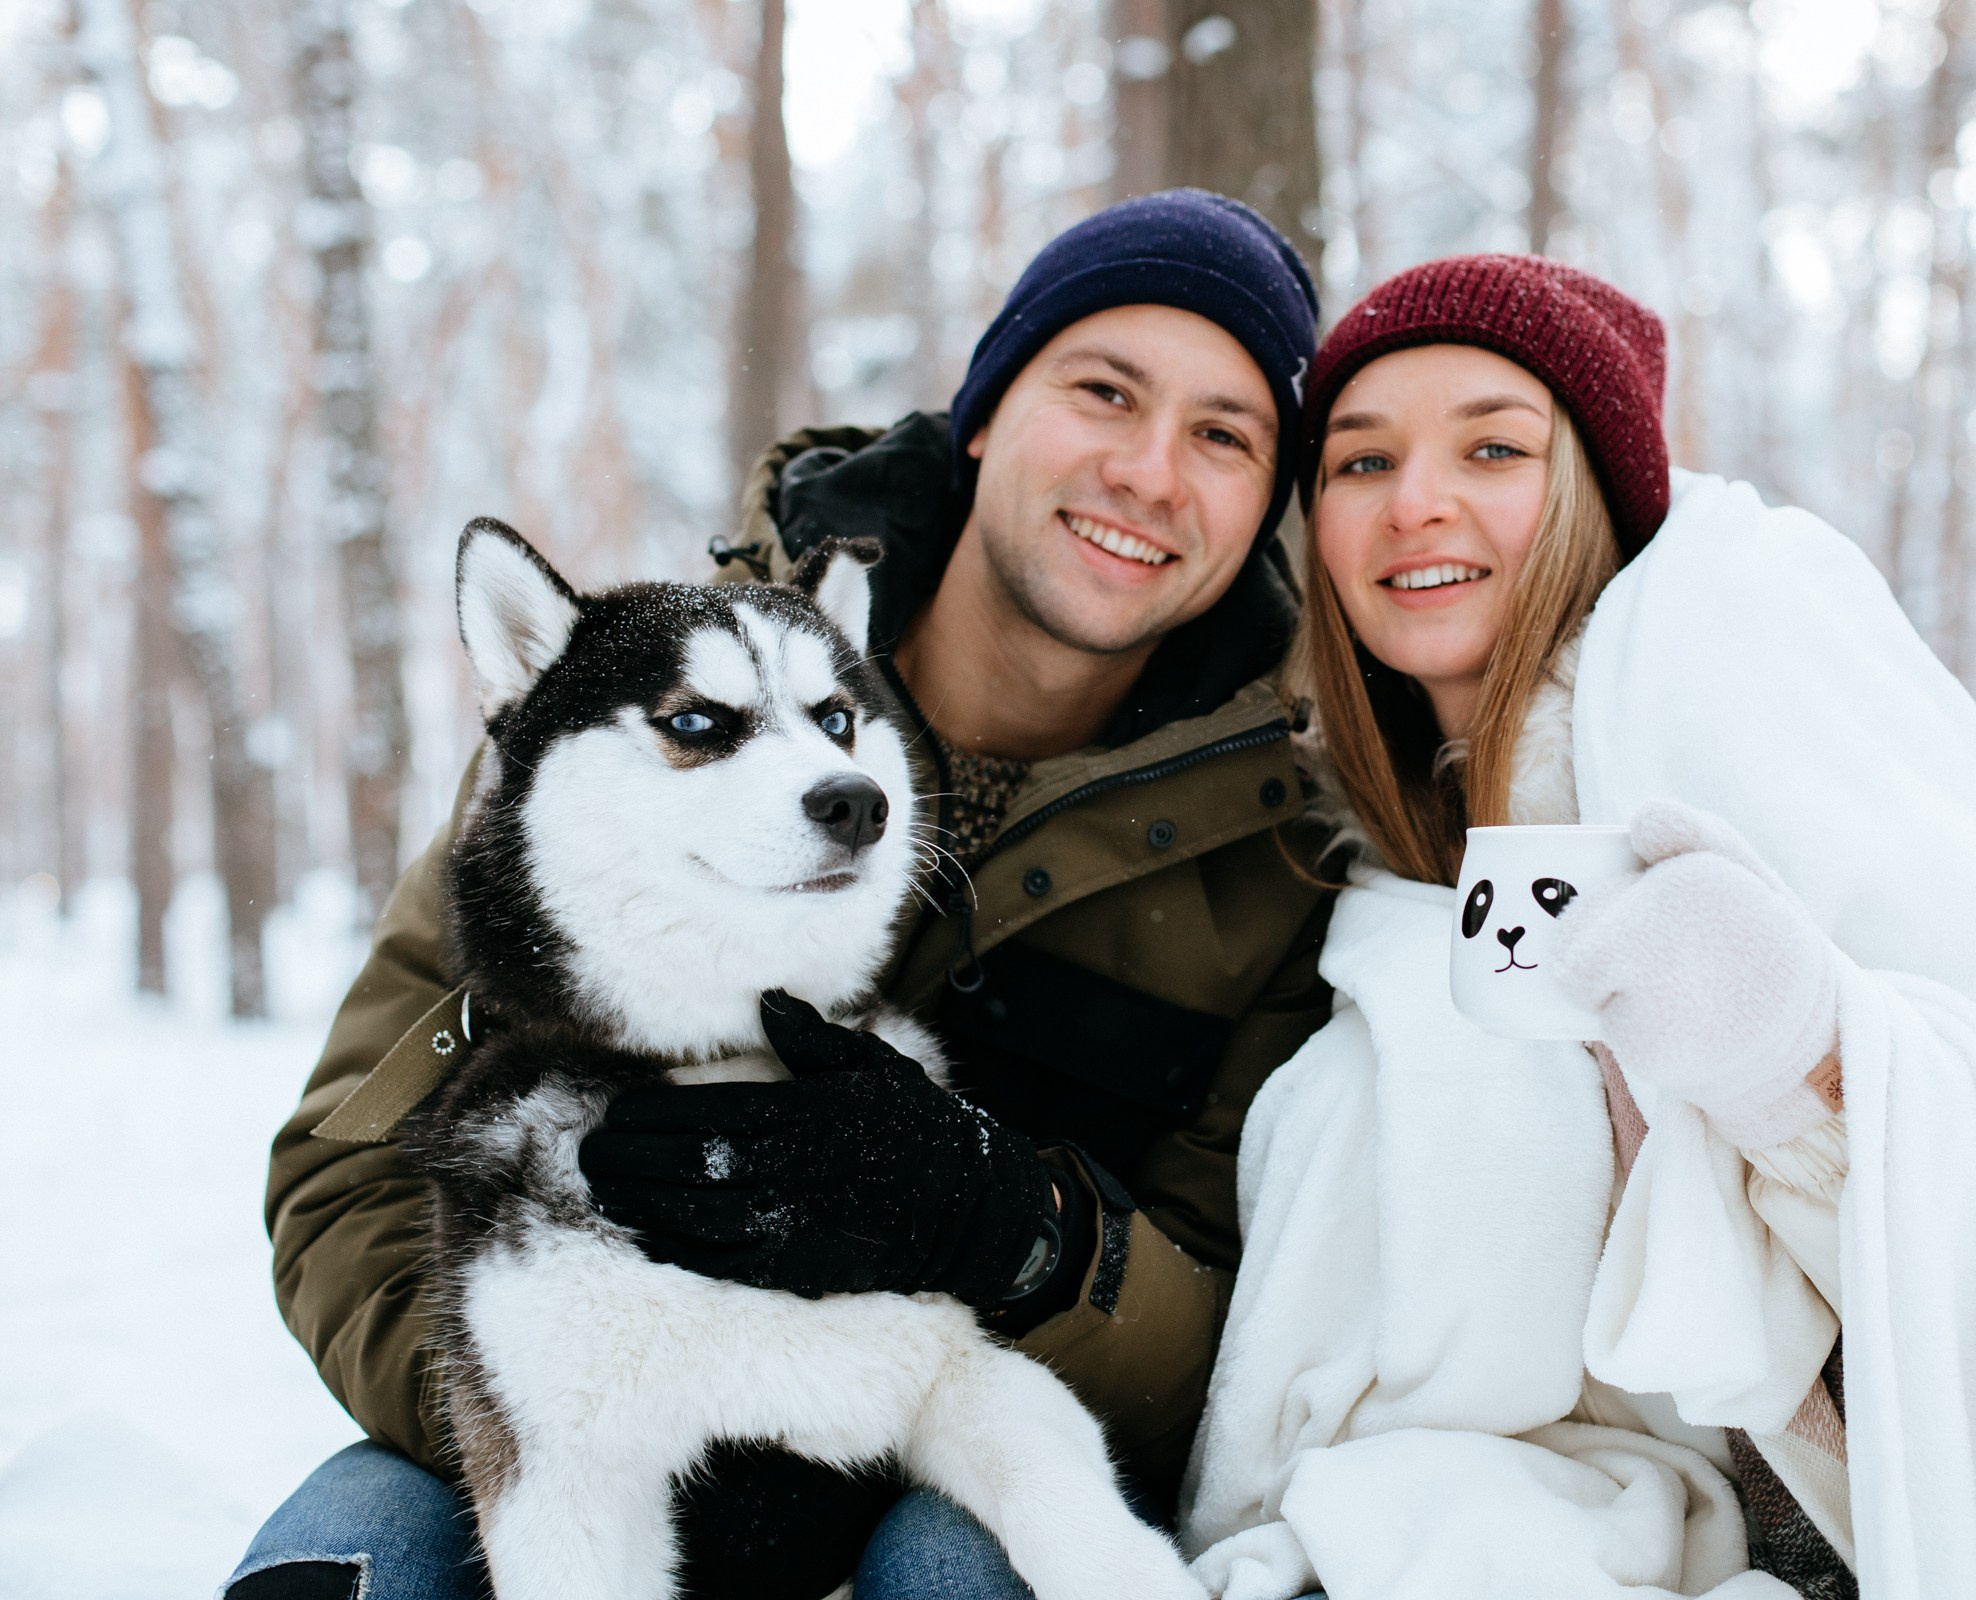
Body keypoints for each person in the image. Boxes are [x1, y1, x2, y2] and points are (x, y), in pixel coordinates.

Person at [229, 190, 1336, 1600]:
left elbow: (1238, 1337)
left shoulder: (1283, 843)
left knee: (963, 1568)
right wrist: (561, 1394)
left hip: (949, 1416)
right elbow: (350, 1158)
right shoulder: (618, 715)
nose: (1148, 470)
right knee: (356, 1557)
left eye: (1224, 435)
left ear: (1265, 500)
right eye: (1103, 390)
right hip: (558, 1384)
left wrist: (1025, 1233)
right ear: (989, 411)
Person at [1182, 256, 1976, 1599]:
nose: (1415, 502)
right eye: (1361, 464)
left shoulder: (1738, 683)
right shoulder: (1357, 873)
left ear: (1592, 495)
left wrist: (1808, 1064)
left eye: (1494, 447)